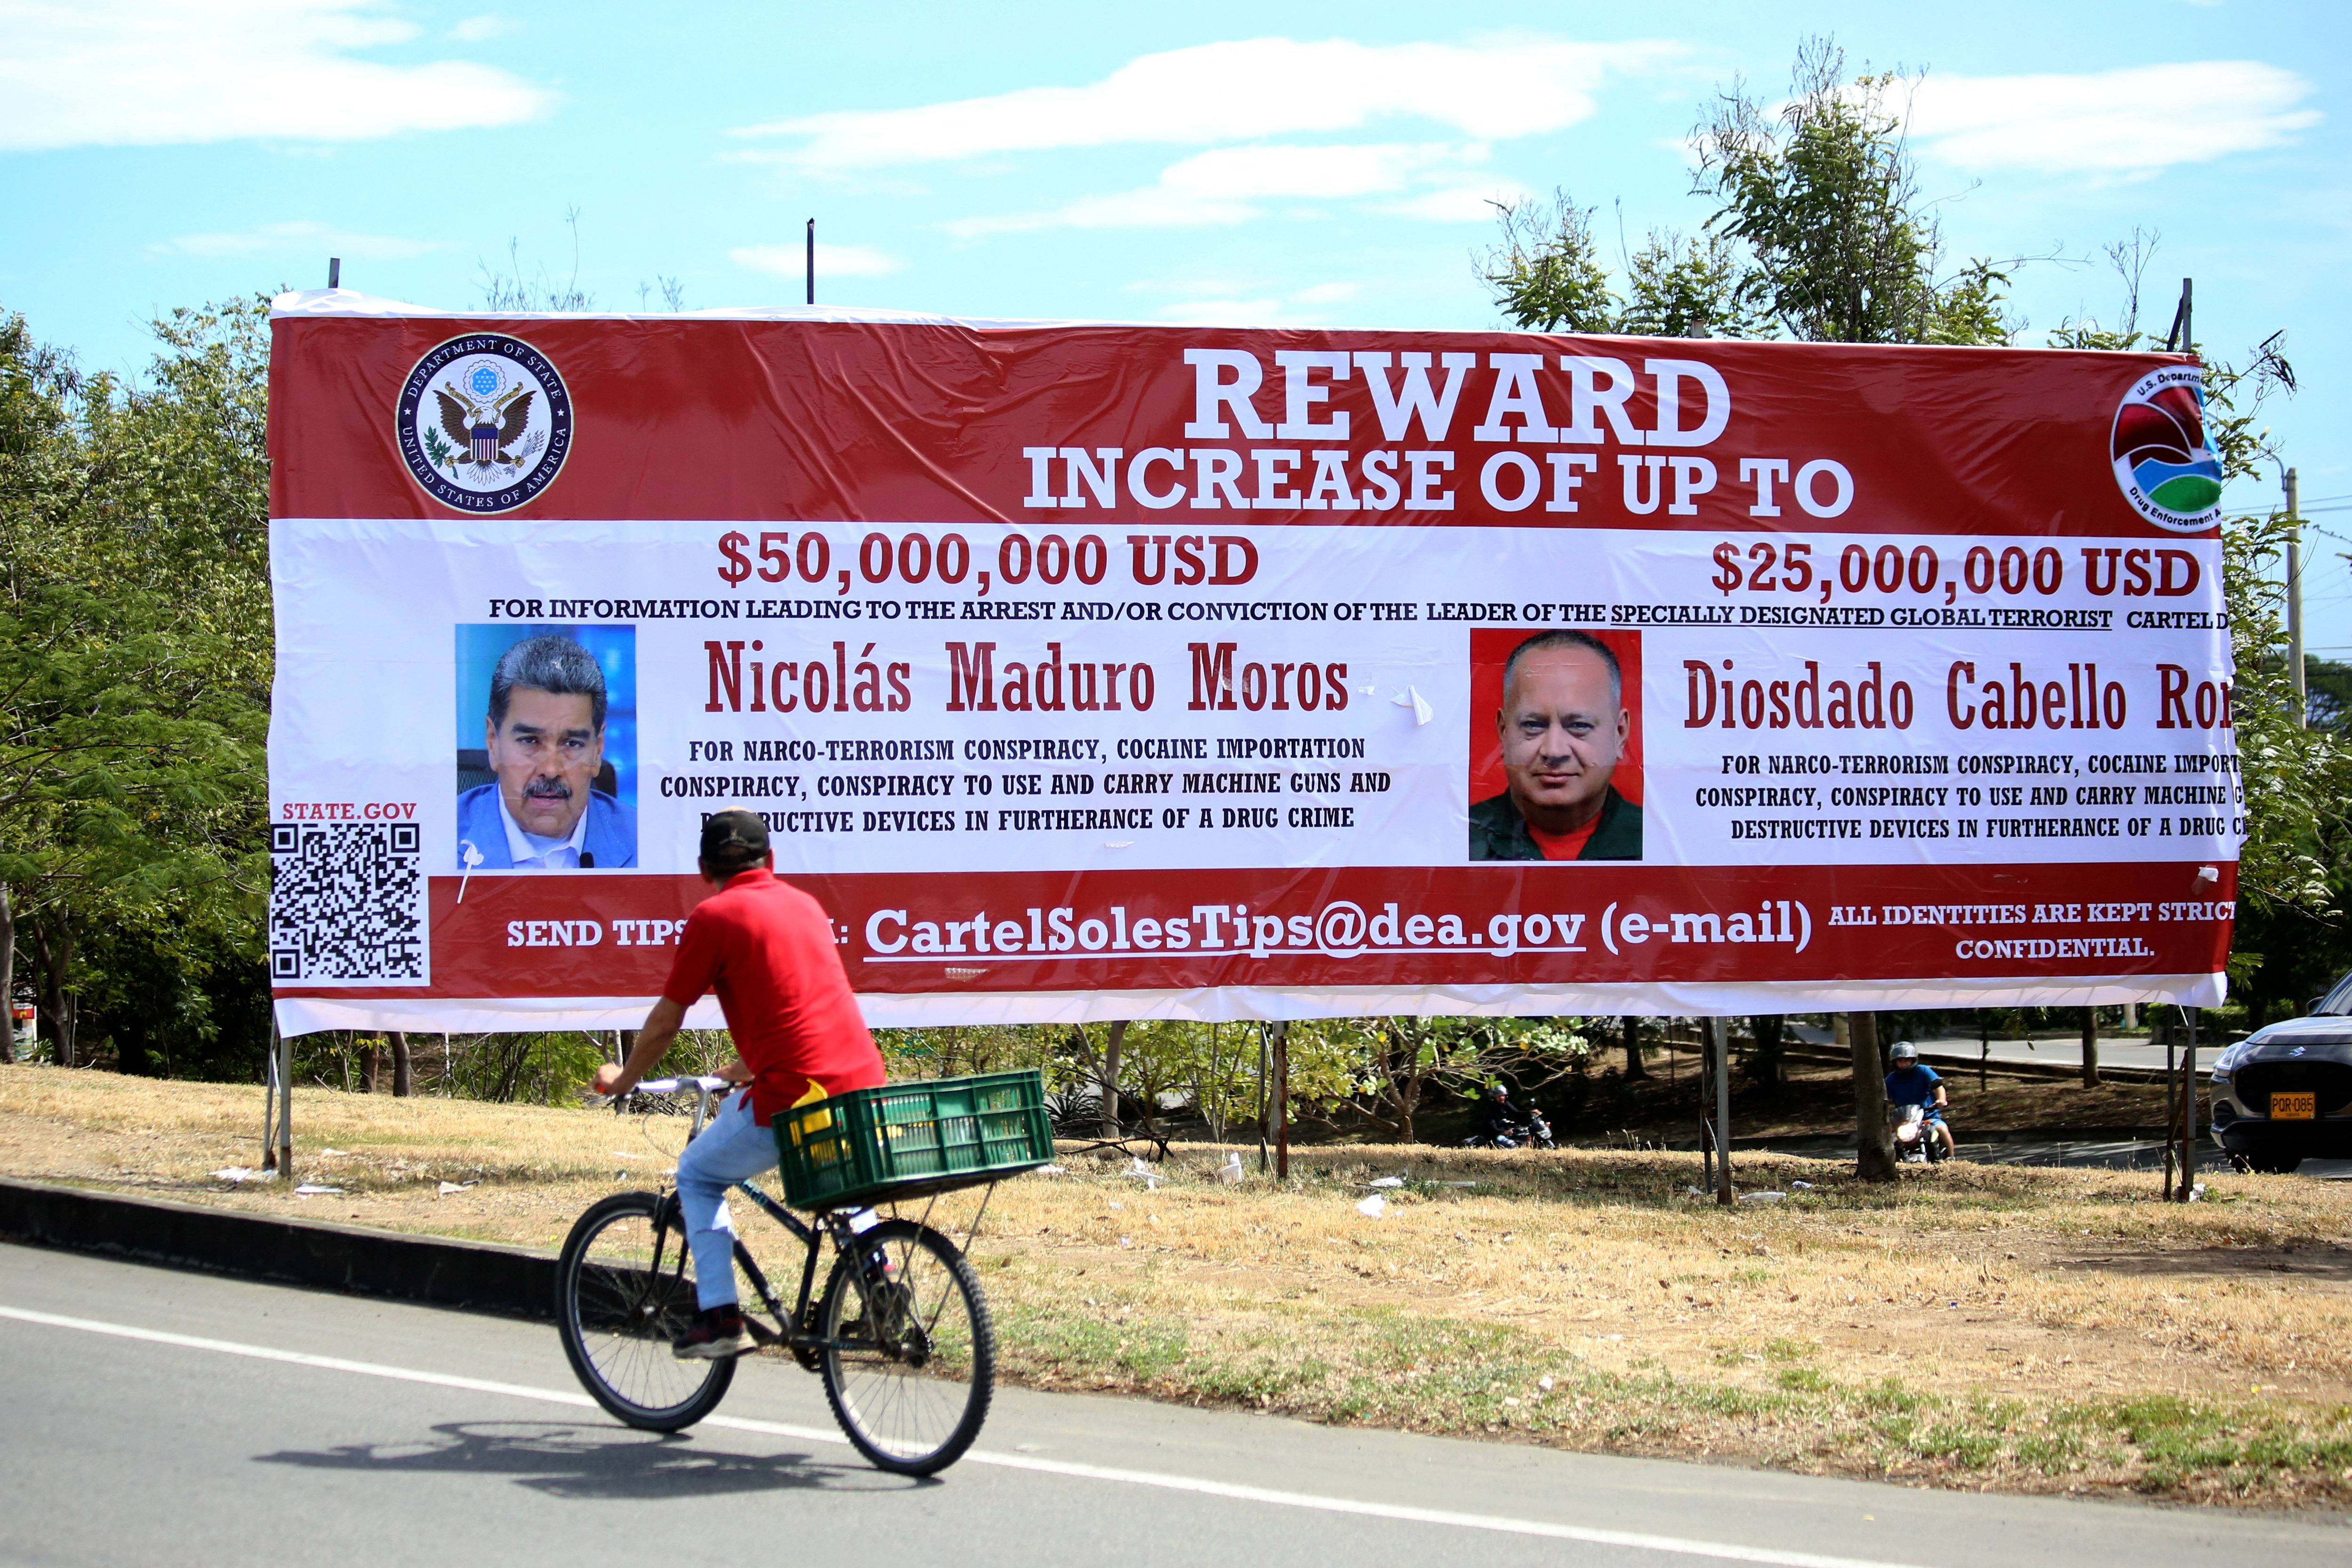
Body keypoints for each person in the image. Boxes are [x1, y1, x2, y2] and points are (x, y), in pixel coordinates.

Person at [594, 810, 886, 1357]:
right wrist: (744, 1067)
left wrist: (624, 1079)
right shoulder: (805, 905)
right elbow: (799, 1006)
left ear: (703, 868)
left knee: (697, 1173)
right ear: (770, 859)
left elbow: (666, 1020)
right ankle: (880, 1275)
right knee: (842, 1182)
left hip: (796, 1095)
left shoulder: (713, 917)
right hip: (859, 1080)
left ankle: (720, 1317)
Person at [456, 634, 637, 869]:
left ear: (598, 749)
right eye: (530, 741)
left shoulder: (649, 843)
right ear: (493, 742)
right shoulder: (434, 839)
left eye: (572, 744)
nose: (551, 770)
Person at [1469, 629, 1642, 861]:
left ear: (1619, 733)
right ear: (1504, 731)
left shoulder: (1666, 841)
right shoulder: (1452, 838)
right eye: (1533, 725)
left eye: (1579, 725)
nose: (1554, 751)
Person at [1883, 1041, 1956, 1159]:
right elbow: (1883, 1098)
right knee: (1891, 1138)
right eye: (1900, 1061)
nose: (1904, 1064)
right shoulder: (1891, 1079)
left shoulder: (1923, 1071)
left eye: (1907, 1060)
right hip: (1904, 1121)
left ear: (1913, 1060)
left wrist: (1941, 1100)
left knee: (1942, 1129)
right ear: (1895, 1063)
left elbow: (1938, 1087)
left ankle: (1951, 1158)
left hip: (1928, 1117)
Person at [1476, 1081, 1525, 1147]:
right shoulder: (1491, 1110)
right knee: (1511, 1145)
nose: (1502, 1098)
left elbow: (1516, 1112)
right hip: (1495, 1136)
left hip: (1507, 1132)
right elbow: (1492, 1126)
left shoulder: (1506, 1104)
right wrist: (1504, 1132)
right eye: (1499, 1096)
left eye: (1503, 1095)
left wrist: (1531, 1112)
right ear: (1493, 1098)